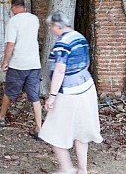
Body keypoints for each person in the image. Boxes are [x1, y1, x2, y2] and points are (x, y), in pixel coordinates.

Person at [39, 10, 103, 174]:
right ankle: (82, 170)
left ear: (56, 26)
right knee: (81, 130)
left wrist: (52, 96)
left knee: (53, 130)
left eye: (51, 26)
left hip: (69, 92)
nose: (51, 30)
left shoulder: (62, 44)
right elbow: (87, 63)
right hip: (87, 87)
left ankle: (66, 168)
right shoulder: (79, 37)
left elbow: (60, 70)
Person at [0, 0, 42, 138]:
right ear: (24, 7)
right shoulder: (34, 19)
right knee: (34, 96)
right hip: (34, 64)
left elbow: (10, 44)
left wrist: (5, 61)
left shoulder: (13, 22)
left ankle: (1, 117)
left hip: (18, 64)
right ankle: (39, 128)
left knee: (9, 92)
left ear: (13, 8)